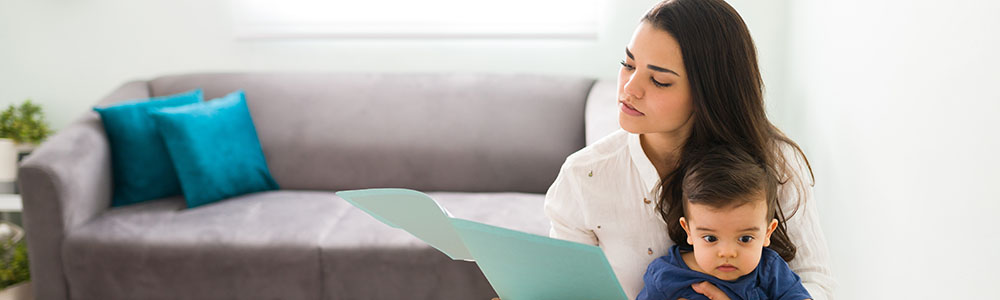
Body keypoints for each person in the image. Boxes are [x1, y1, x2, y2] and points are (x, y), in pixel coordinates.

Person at [543, 0, 835, 299]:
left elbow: (815, 282)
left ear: (709, 92)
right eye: (628, 65)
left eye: (659, 81)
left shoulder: (777, 164)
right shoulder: (584, 176)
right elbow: (569, 292)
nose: (629, 89)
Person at [636, 144, 811, 300]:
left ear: (767, 233)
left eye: (745, 239)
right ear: (688, 231)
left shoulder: (769, 270)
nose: (727, 253)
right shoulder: (665, 276)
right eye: (711, 238)